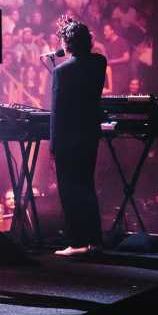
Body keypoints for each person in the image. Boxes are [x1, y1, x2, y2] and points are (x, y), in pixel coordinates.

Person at [50, 16, 106, 256]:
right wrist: (72, 32)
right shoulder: (99, 63)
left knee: (68, 191)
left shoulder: (62, 71)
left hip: (67, 139)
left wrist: (53, 145)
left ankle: (76, 243)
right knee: (87, 187)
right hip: (89, 136)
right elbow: (87, 56)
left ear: (67, 44)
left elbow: (57, 111)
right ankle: (94, 241)